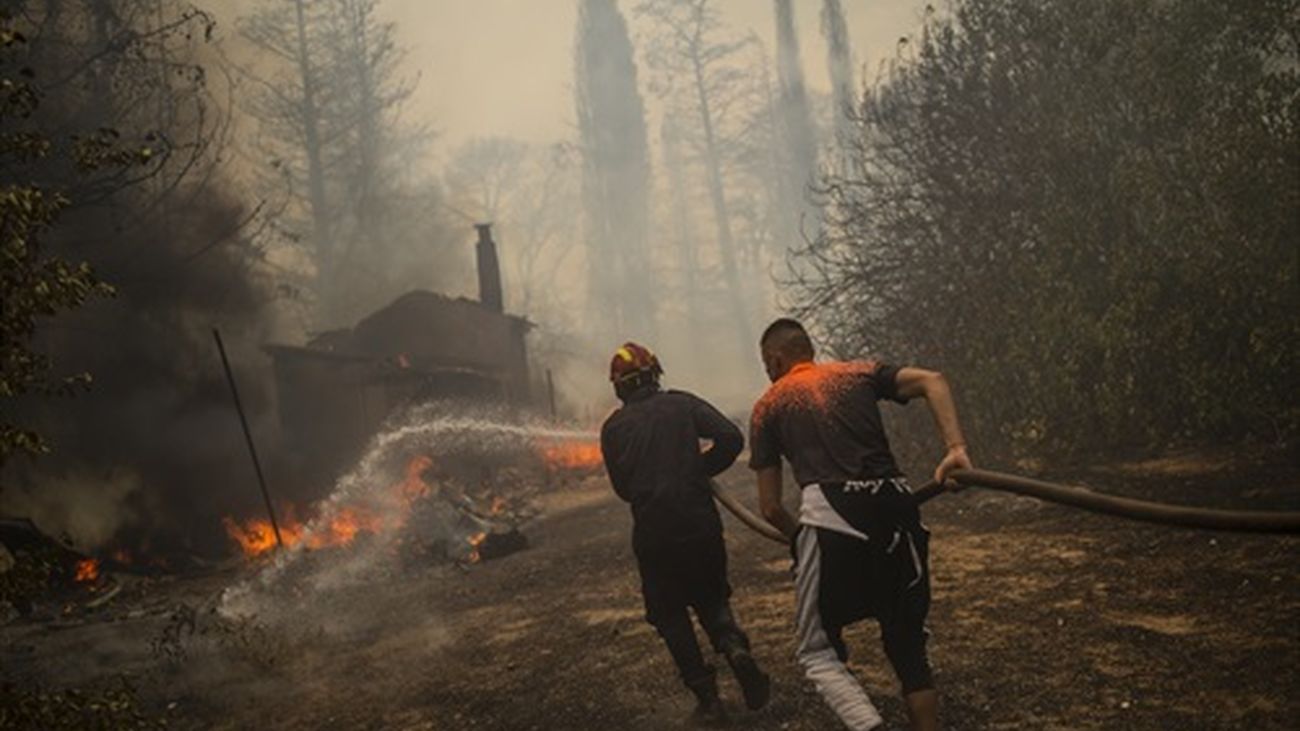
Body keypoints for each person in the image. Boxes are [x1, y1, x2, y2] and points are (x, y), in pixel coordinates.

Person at [748, 319, 972, 731]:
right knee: (907, 643)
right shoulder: (858, 373)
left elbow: (769, 508)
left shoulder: (768, 405)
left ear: (775, 358)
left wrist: (802, 539)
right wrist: (955, 450)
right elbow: (933, 381)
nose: (767, 372)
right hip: (897, 508)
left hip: (831, 517)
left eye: (766, 364)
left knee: (817, 650)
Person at [600, 342, 771, 725]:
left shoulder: (613, 428)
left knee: (669, 613)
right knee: (711, 598)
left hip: (654, 535)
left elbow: (623, 489)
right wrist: (698, 468)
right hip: (700, 525)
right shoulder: (682, 404)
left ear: (619, 386)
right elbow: (731, 438)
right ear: (656, 374)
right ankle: (734, 649)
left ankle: (708, 698)